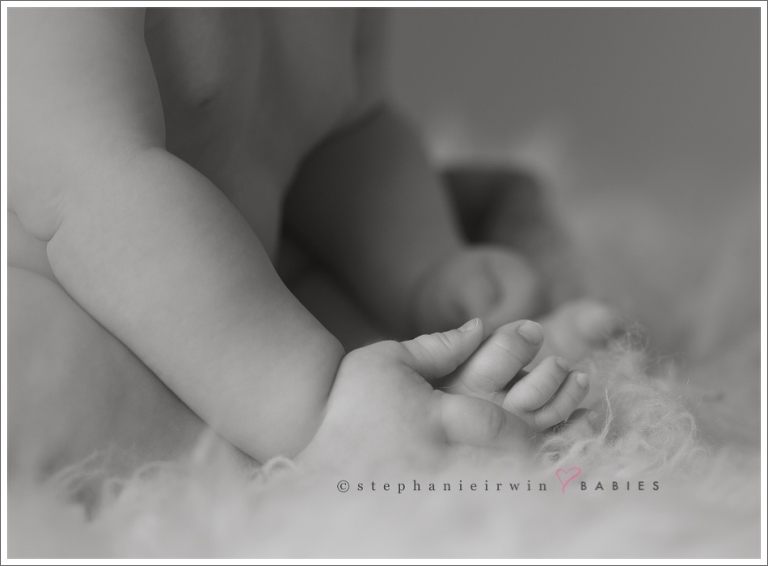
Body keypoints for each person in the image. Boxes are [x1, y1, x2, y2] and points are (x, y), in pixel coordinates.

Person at [7, 8, 618, 477]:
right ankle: (284, 455)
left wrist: (425, 272)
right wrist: (316, 410)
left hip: (240, 310)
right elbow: (88, 189)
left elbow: (345, 131)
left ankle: (455, 390)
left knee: (328, 296)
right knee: (38, 355)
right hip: (68, 290)